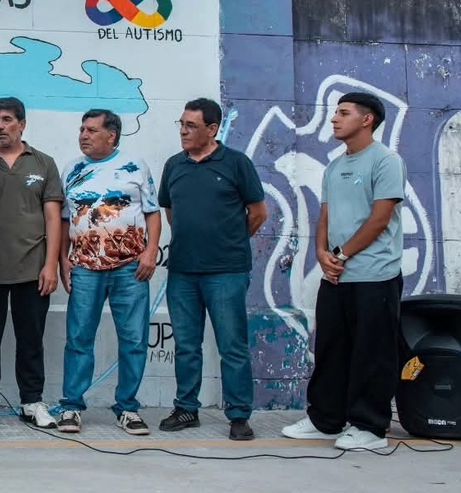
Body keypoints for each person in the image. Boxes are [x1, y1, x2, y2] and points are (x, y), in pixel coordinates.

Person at [281, 93, 405, 451]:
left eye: (343, 113)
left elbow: (380, 218)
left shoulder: (386, 161)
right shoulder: (335, 166)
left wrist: (341, 253)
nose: (334, 118)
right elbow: (326, 216)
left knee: (372, 353)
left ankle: (370, 428)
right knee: (330, 349)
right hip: (336, 275)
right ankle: (325, 420)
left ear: (367, 120)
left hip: (375, 276)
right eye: (335, 112)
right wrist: (322, 254)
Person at [157, 98, 267, 441]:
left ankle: (238, 415)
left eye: (191, 125)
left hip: (226, 271)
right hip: (182, 271)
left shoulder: (236, 163)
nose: (183, 131)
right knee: (186, 345)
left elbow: (258, 213)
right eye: (181, 124)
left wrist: (229, 242)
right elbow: (171, 212)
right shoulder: (174, 165)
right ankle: (186, 408)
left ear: (212, 129)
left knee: (232, 345)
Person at [55, 109, 160, 435]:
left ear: (111, 135)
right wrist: (63, 259)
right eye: (82, 129)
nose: (83, 135)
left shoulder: (136, 166)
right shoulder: (71, 169)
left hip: (130, 268)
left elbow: (152, 212)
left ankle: (127, 408)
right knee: (79, 338)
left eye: (91, 130)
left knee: (134, 339)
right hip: (85, 268)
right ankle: (72, 406)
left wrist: (150, 252)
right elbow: (63, 219)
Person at [0, 97, 62, 429]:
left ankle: (32, 401)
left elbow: (53, 218)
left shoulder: (44, 163)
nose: (0, 126)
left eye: (7, 120)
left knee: (31, 340)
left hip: (32, 269)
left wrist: (51, 265)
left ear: (22, 124)